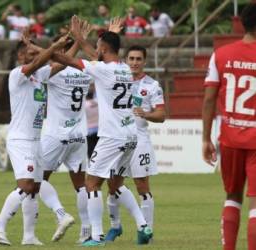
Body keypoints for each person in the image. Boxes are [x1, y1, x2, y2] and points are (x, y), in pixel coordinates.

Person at [51, 16, 153, 246]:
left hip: (112, 137)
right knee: (116, 185)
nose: (95, 50)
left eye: (99, 47)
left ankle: (96, 236)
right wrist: (106, 34)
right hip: (130, 135)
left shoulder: (102, 70)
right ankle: (143, 225)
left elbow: (67, 59)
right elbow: (97, 55)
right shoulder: (126, 70)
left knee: (92, 183)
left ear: (104, 48)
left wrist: (51, 49)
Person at [0, 34, 70, 246]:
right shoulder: (17, 74)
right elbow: (40, 61)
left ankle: (29, 236)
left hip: (35, 139)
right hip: (20, 140)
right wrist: (53, 46)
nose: (39, 55)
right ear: (21, 55)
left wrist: (77, 41)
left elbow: (63, 62)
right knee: (26, 185)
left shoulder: (39, 76)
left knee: (35, 188)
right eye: (33, 53)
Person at [202, 4, 256, 250]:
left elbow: (209, 99)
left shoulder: (221, 54)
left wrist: (205, 139)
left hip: (230, 139)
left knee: (233, 197)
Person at [32, 31, 93, 243]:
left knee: (36, 180)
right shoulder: (85, 70)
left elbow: (43, 60)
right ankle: (87, 231)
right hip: (79, 134)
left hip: (56, 135)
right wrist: (80, 40)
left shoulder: (54, 73)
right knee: (81, 185)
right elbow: (98, 60)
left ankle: (61, 214)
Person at [105, 45, 165, 242]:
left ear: (145, 61)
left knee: (142, 186)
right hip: (117, 138)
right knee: (112, 185)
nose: (134, 62)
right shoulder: (118, 77)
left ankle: (147, 233)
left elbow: (161, 115)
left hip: (140, 141)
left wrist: (146, 114)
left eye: (138, 59)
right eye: (131, 58)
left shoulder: (152, 85)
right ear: (126, 60)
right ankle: (115, 227)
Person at [85, 85, 99, 158]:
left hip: (89, 131)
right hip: (98, 129)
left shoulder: (85, 105)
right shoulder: (97, 103)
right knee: (99, 151)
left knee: (90, 152)